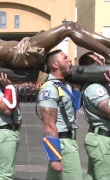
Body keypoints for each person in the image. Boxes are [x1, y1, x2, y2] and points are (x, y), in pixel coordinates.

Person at [37, 50, 82, 180]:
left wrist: (77, 91)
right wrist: (55, 157)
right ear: (55, 64)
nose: (70, 61)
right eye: (65, 58)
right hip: (62, 144)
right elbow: (48, 125)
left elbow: (72, 110)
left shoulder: (64, 86)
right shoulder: (49, 88)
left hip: (67, 141)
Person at [79, 52, 110, 180]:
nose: (104, 63)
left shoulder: (102, 85)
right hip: (103, 140)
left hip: (102, 139)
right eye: (100, 60)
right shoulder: (94, 88)